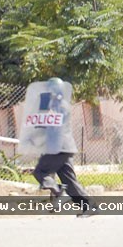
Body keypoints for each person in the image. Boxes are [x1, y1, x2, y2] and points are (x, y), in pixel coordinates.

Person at [31, 78, 95, 217]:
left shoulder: (58, 105)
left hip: (58, 148)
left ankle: (60, 191)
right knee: (70, 181)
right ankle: (88, 206)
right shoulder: (58, 104)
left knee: (40, 172)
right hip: (65, 147)